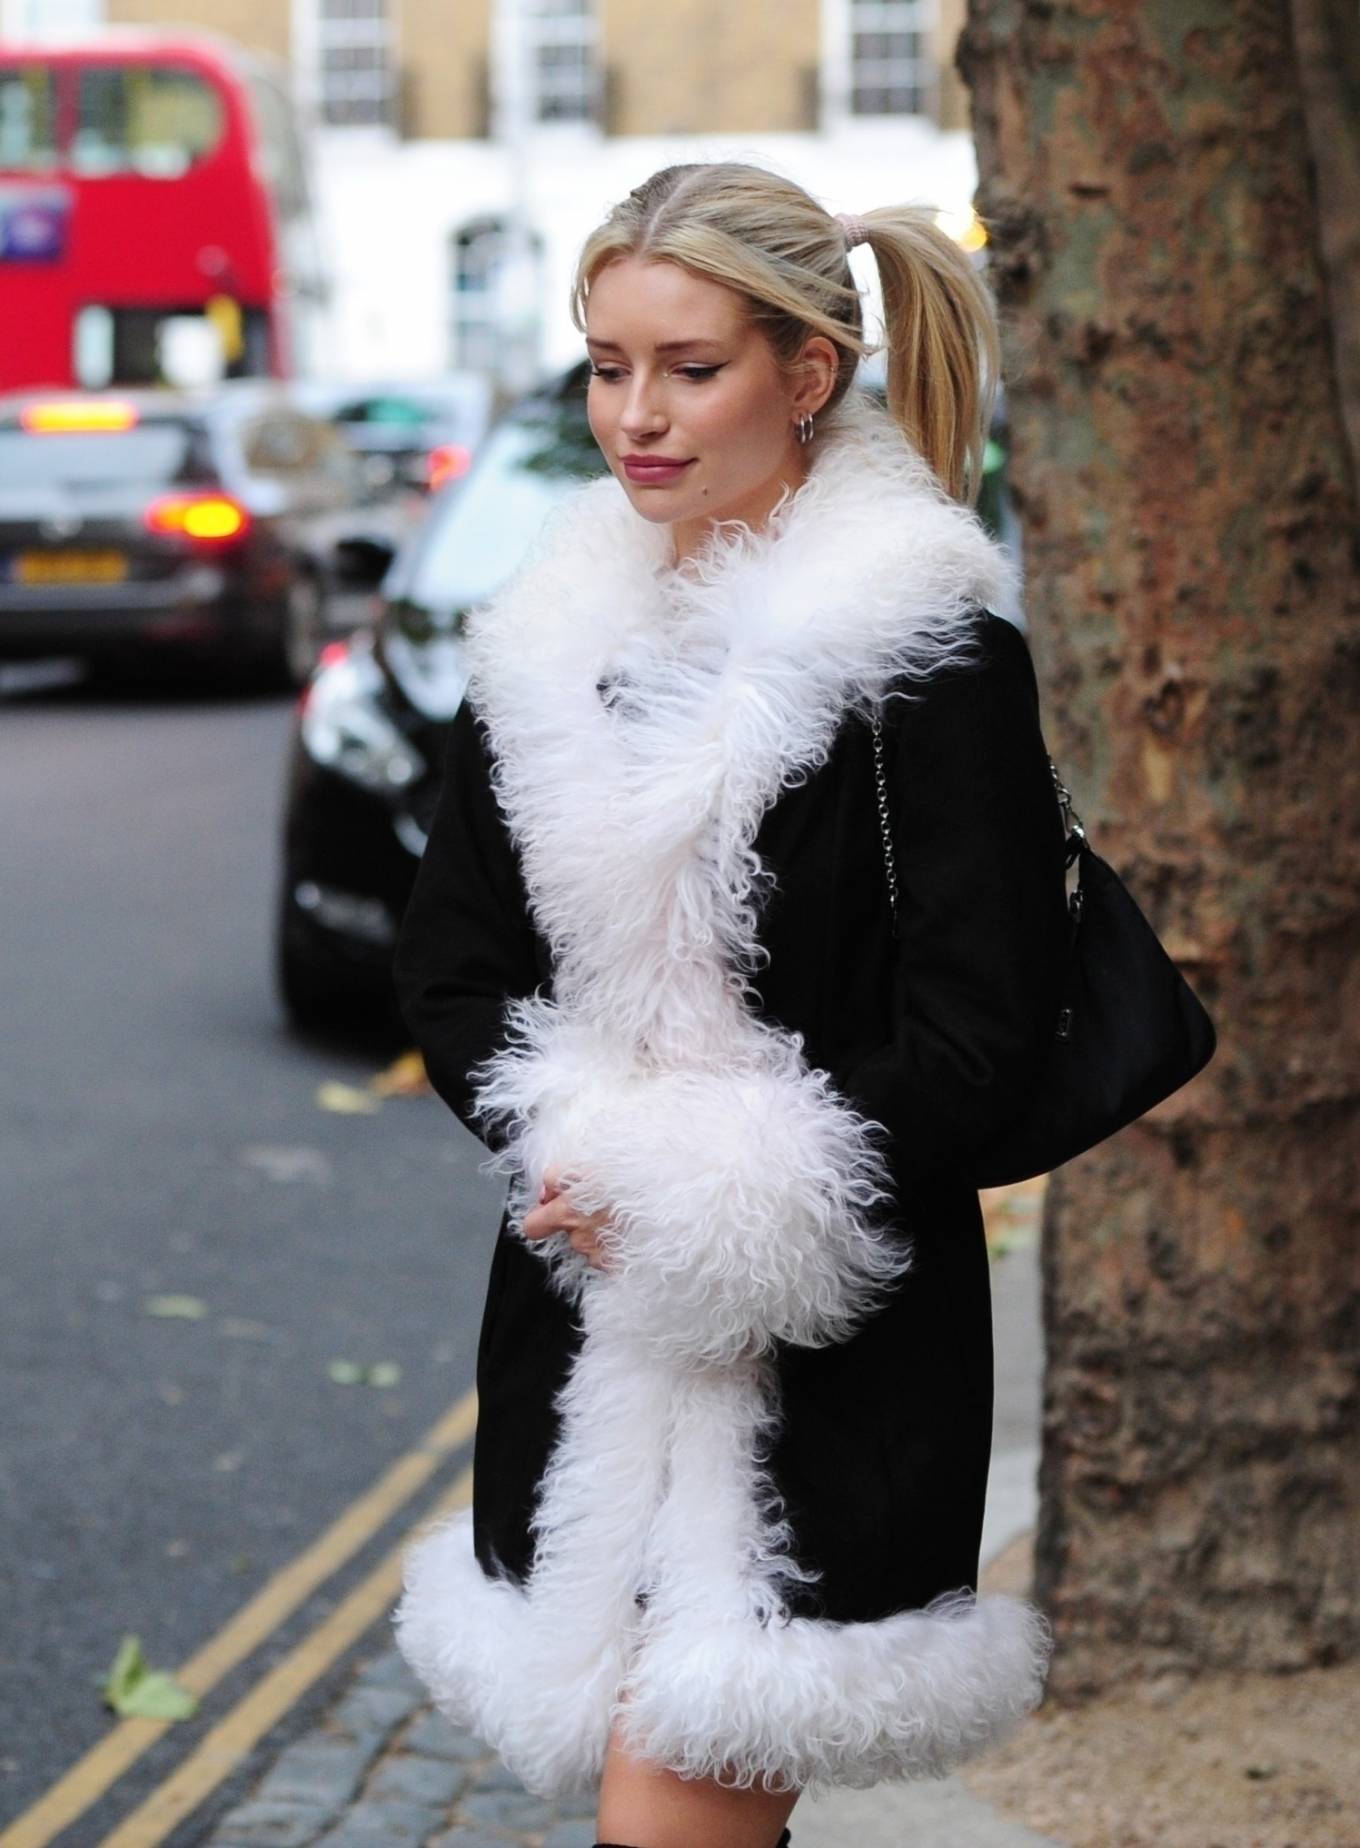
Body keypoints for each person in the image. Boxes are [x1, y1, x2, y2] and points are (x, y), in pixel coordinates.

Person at [391, 161, 1071, 1848]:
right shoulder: (546, 638)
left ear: (809, 373)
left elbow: (985, 1031)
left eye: (690, 369)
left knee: (678, 1800)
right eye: (607, 366)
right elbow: (453, 968)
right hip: (580, 1292)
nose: (638, 414)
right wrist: (581, 1150)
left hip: (828, 1311)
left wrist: (715, 1191)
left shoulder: (923, 645)